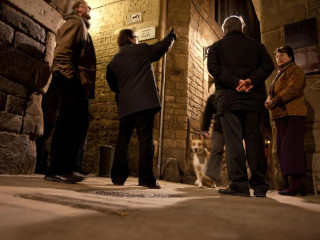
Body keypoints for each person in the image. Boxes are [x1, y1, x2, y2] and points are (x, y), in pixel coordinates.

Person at [207, 15, 274, 197]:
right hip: (253, 101)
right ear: (242, 28)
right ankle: (260, 186)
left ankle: (239, 185)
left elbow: (213, 68)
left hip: (229, 101)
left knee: (234, 142)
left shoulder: (216, 47)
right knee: (255, 143)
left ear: (224, 29)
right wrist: (251, 81)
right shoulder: (256, 46)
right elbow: (268, 65)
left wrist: (235, 82)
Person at [106, 28, 176, 189]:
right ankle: (145, 179)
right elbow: (159, 49)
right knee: (146, 140)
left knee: (123, 140)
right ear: (131, 39)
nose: (137, 39)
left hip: (125, 106)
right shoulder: (140, 50)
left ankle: (118, 177)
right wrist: (171, 37)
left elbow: (113, 85)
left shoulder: (113, 61)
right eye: (135, 37)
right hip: (144, 103)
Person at [44, 0, 96, 183]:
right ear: (77, 9)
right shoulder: (75, 23)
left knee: (78, 123)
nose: (89, 8)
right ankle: (56, 169)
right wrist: (70, 78)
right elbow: (63, 52)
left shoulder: (82, 26)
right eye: (86, 5)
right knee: (66, 122)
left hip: (77, 82)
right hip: (69, 78)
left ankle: (72, 167)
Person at [265, 46, 307, 196]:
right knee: (283, 149)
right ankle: (297, 185)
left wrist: (274, 101)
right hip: (281, 115)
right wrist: (269, 100)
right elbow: (274, 92)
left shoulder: (295, 70)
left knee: (291, 147)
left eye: (282, 55)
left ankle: (296, 185)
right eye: (277, 56)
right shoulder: (279, 73)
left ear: (290, 56)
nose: (279, 58)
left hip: (292, 113)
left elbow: (293, 89)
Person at [201, 90, 225, 185]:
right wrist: (204, 130)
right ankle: (210, 177)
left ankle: (235, 180)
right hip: (219, 128)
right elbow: (207, 114)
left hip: (232, 127)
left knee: (234, 152)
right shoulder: (213, 97)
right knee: (216, 150)